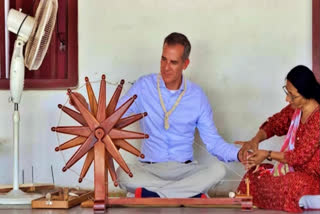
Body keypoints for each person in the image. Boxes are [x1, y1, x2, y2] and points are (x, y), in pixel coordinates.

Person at [116, 32, 242, 198]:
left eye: (173, 62)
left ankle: (155, 195)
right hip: (149, 169)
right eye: (163, 59)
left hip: (185, 170)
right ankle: (187, 194)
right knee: (122, 173)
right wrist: (85, 107)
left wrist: (239, 154)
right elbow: (114, 115)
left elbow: (214, 143)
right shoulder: (143, 86)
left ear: (185, 63)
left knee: (218, 170)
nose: (166, 67)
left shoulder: (197, 96)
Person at [236, 65, 320, 212]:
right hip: (291, 171)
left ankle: (306, 200)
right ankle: (301, 200)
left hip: (311, 178)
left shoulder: (318, 118)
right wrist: (255, 140)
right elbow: (274, 124)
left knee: (293, 183)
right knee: (255, 174)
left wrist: (267, 154)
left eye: (292, 96)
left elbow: (299, 157)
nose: (287, 99)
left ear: (307, 93)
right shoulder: (296, 110)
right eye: (287, 93)